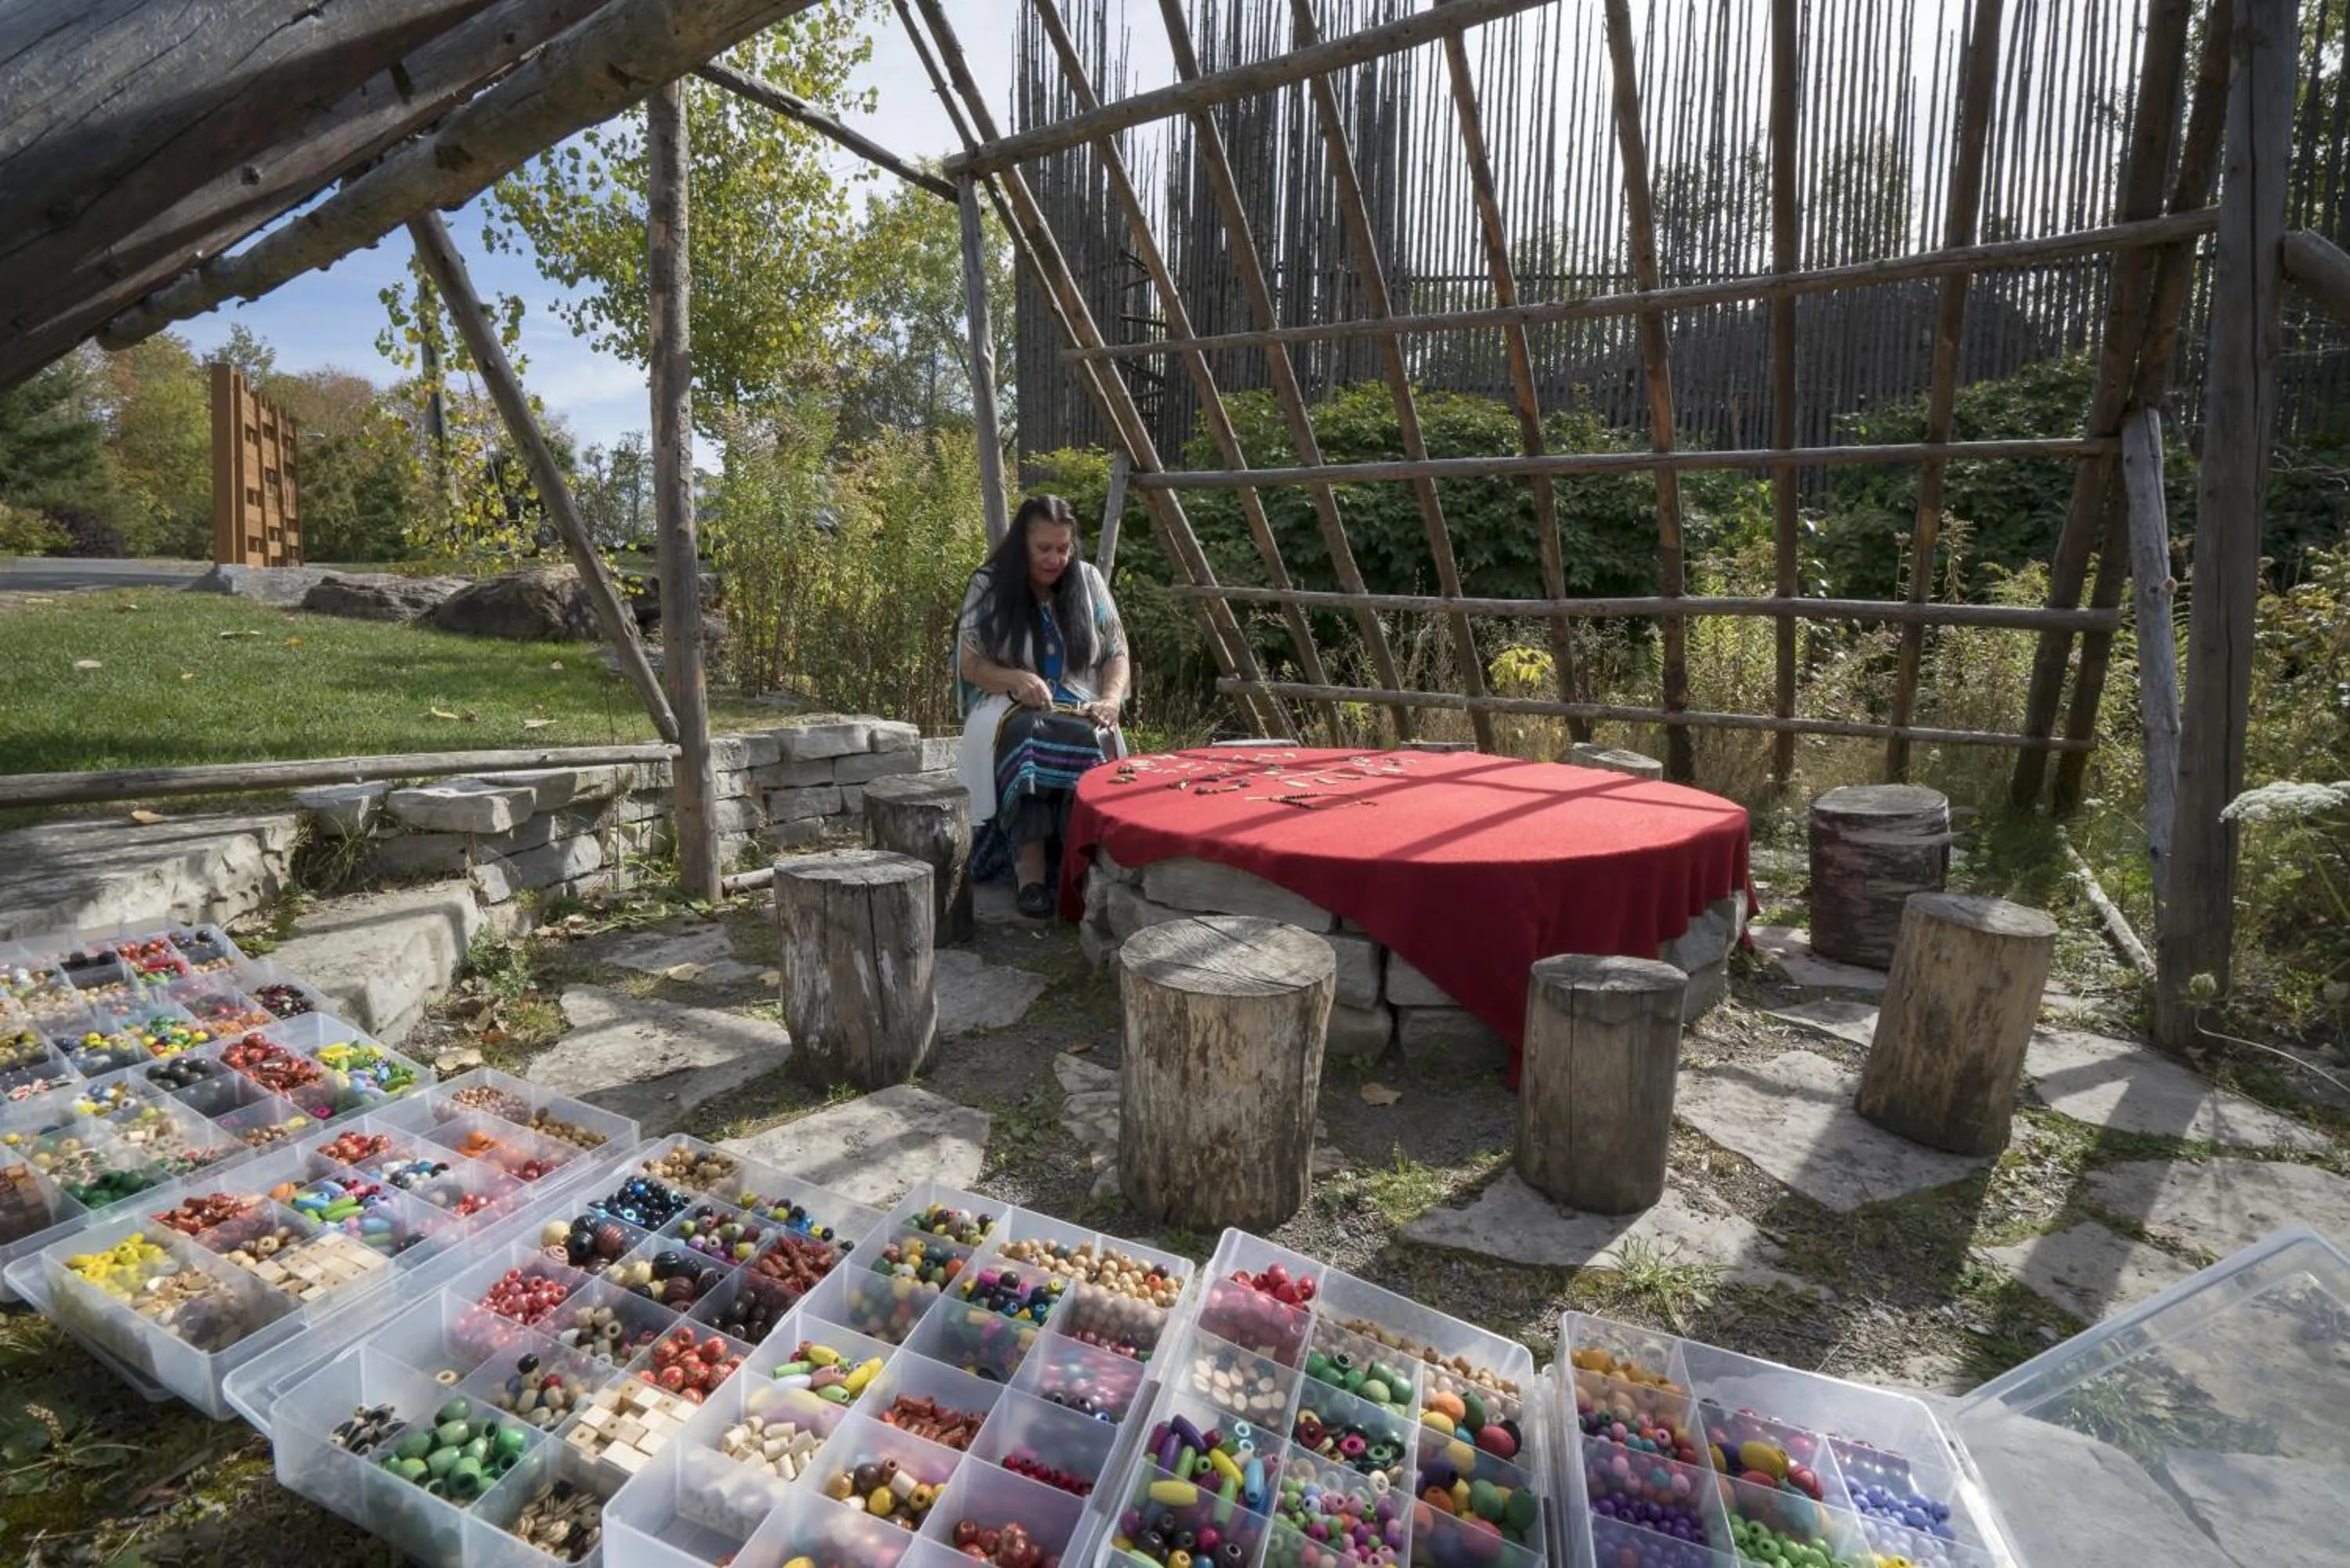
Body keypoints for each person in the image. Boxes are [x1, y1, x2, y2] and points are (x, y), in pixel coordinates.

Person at [956, 494, 1130, 918]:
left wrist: (1109, 700)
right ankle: (1031, 874)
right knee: (1027, 736)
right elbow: (970, 662)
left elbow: (1117, 654)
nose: (1056, 559)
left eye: (1064, 548)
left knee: (1089, 737)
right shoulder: (989, 584)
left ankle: (1081, 870)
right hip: (1007, 705)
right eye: (1044, 549)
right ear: (1022, 547)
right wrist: (1014, 679)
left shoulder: (1088, 582)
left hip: (1081, 703)